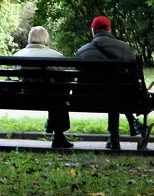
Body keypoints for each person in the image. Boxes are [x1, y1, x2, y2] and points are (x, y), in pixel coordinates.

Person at [75, 15, 138, 150]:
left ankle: (114, 137)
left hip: (87, 99)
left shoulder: (82, 51)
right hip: (119, 98)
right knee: (115, 92)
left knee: (111, 92)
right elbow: (134, 74)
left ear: (93, 31)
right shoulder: (124, 48)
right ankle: (116, 135)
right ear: (109, 30)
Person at [14, 26, 71, 148]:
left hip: (26, 98)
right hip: (52, 99)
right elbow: (65, 81)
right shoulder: (56, 56)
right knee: (59, 93)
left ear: (30, 38)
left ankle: (56, 132)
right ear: (46, 38)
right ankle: (58, 135)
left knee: (56, 93)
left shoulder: (18, 55)